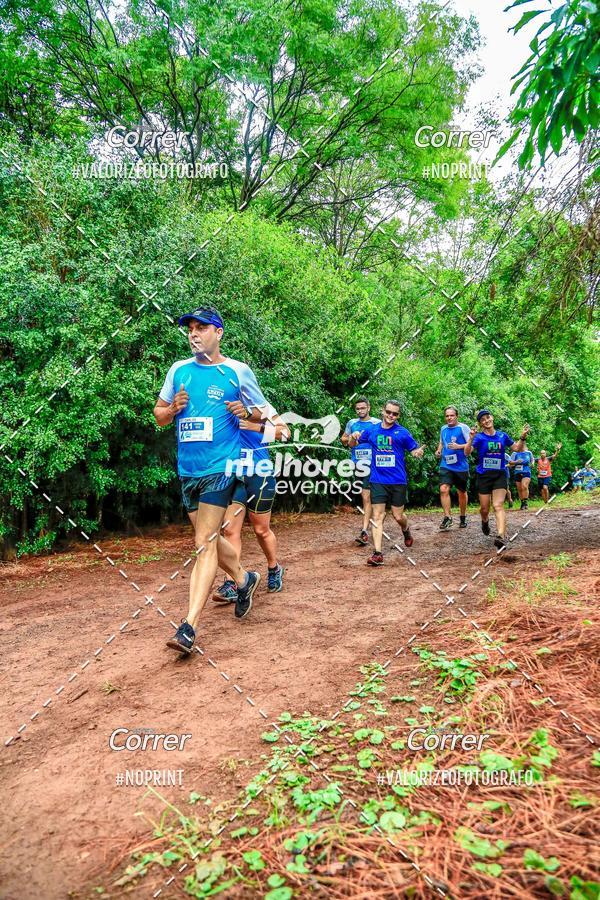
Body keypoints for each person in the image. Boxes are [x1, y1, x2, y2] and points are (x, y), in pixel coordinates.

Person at [154, 306, 275, 654]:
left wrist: (245, 411)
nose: (193, 334)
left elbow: (261, 413)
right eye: (190, 329)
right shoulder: (178, 371)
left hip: (222, 468)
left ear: (218, 332)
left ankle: (188, 626)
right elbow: (159, 416)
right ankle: (244, 578)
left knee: (204, 542)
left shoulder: (237, 371)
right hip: (188, 471)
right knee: (205, 538)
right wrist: (172, 409)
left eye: (201, 328)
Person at [212, 415, 290, 603]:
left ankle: (274, 568)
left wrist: (256, 427)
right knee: (230, 529)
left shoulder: (260, 408)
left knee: (261, 530)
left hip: (259, 474)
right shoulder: (223, 406)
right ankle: (232, 583)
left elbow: (286, 433)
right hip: (233, 475)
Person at [348, 399, 424, 566]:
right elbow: (352, 444)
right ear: (383, 411)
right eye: (388, 412)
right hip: (377, 480)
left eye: (395, 414)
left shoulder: (402, 432)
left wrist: (417, 453)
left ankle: (406, 530)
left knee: (398, 516)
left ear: (398, 415)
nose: (391, 415)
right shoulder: (372, 430)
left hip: (397, 481)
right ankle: (377, 553)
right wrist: (353, 438)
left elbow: (414, 450)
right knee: (378, 516)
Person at [464, 410, 530, 549]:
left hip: (500, 474)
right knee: (484, 509)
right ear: (480, 423)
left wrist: (522, 437)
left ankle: (501, 536)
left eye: (487, 417)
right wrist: (470, 438)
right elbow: (467, 452)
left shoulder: (502, 435)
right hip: (483, 476)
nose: (486, 420)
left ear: (492, 418)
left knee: (498, 505)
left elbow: (517, 448)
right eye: (482, 419)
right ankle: (485, 521)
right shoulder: (479, 437)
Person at [341, 397, 381, 545]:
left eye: (363, 408)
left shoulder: (376, 423)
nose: (360, 411)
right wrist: (351, 436)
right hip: (358, 465)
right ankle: (374, 520)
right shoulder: (352, 423)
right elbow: (343, 440)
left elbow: (384, 439)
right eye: (358, 408)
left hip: (373, 465)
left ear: (368, 408)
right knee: (365, 497)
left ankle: (364, 531)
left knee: (366, 497)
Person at [435, 406, 471, 530]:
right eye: (447, 416)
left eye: (452, 415)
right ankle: (447, 517)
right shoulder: (443, 428)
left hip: (461, 466)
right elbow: (442, 442)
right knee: (443, 489)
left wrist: (458, 446)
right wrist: (439, 450)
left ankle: (463, 516)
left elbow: (471, 446)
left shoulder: (463, 428)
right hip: (446, 465)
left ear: (457, 416)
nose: (449, 418)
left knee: (461, 492)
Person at [508, 441, 535, 509]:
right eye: (519, 444)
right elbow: (510, 462)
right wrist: (516, 462)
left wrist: (532, 464)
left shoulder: (528, 452)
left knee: (524, 486)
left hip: (526, 471)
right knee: (519, 489)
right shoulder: (515, 453)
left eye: (522, 444)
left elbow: (532, 459)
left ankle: (525, 502)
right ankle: (523, 503)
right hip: (517, 472)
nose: (521, 445)